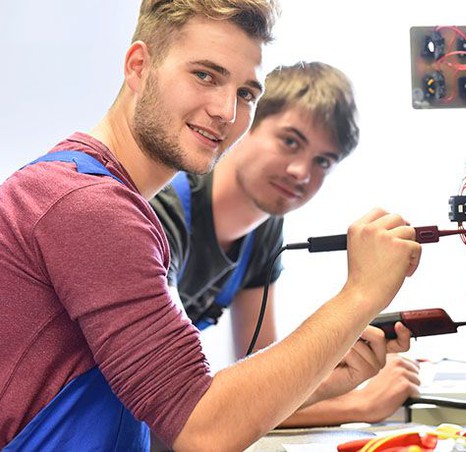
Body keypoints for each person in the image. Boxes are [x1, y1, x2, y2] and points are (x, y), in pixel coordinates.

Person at [0, 0, 422, 450]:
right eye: (205, 75)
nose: (227, 111)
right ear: (139, 66)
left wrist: (322, 375)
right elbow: (201, 429)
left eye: (246, 94)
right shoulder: (89, 208)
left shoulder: (98, 196)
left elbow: (173, 395)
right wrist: (361, 293)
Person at [150, 61, 422, 427]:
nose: (301, 172)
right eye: (290, 141)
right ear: (244, 123)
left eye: (323, 161)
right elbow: (182, 412)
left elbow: (263, 382)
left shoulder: (263, 232)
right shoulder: (159, 215)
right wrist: (357, 405)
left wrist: (344, 372)